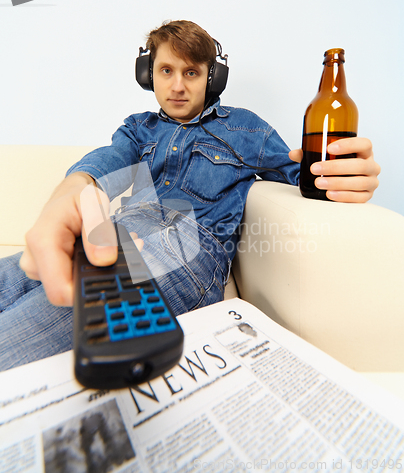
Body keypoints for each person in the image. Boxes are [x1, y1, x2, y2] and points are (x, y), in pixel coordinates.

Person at [0, 20, 380, 371]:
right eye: (167, 71)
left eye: (192, 73)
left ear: (211, 79)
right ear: (148, 75)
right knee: (11, 278)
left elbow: (310, 175)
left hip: (187, 248)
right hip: (120, 236)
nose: (178, 86)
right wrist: (77, 185)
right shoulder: (138, 128)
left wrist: (346, 174)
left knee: (19, 334)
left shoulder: (248, 129)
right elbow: (110, 160)